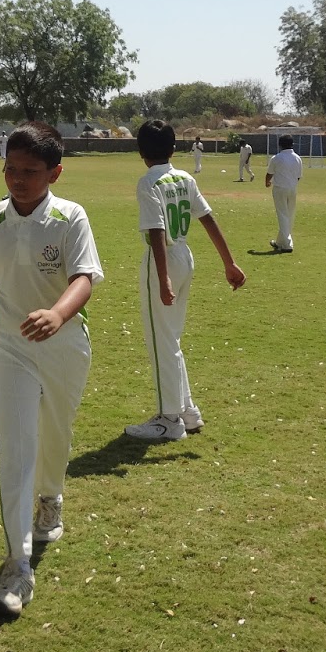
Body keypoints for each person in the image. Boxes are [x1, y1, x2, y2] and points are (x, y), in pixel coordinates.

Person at [0, 122, 103, 620]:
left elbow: (85, 277)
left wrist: (58, 314)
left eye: (29, 171)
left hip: (65, 345)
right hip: (8, 348)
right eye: (10, 169)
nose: (17, 179)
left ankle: (52, 498)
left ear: (55, 172)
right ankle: (18, 567)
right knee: (17, 448)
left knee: (56, 434)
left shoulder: (71, 217)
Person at [125, 121, 246, 442]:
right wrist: (229, 262)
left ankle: (169, 419)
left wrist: (162, 278)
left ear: (141, 153)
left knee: (160, 342)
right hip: (184, 257)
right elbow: (207, 218)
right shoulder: (184, 177)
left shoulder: (148, 182)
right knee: (171, 340)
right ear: (173, 149)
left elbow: (155, 230)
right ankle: (188, 411)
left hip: (162, 260)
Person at [265, 134, 302, 253]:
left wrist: (267, 182)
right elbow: (298, 176)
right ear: (292, 144)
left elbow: (269, 173)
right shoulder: (297, 158)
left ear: (280, 145)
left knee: (282, 215)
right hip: (293, 188)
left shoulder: (276, 158)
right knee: (289, 215)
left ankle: (287, 244)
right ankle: (280, 242)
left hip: (280, 188)